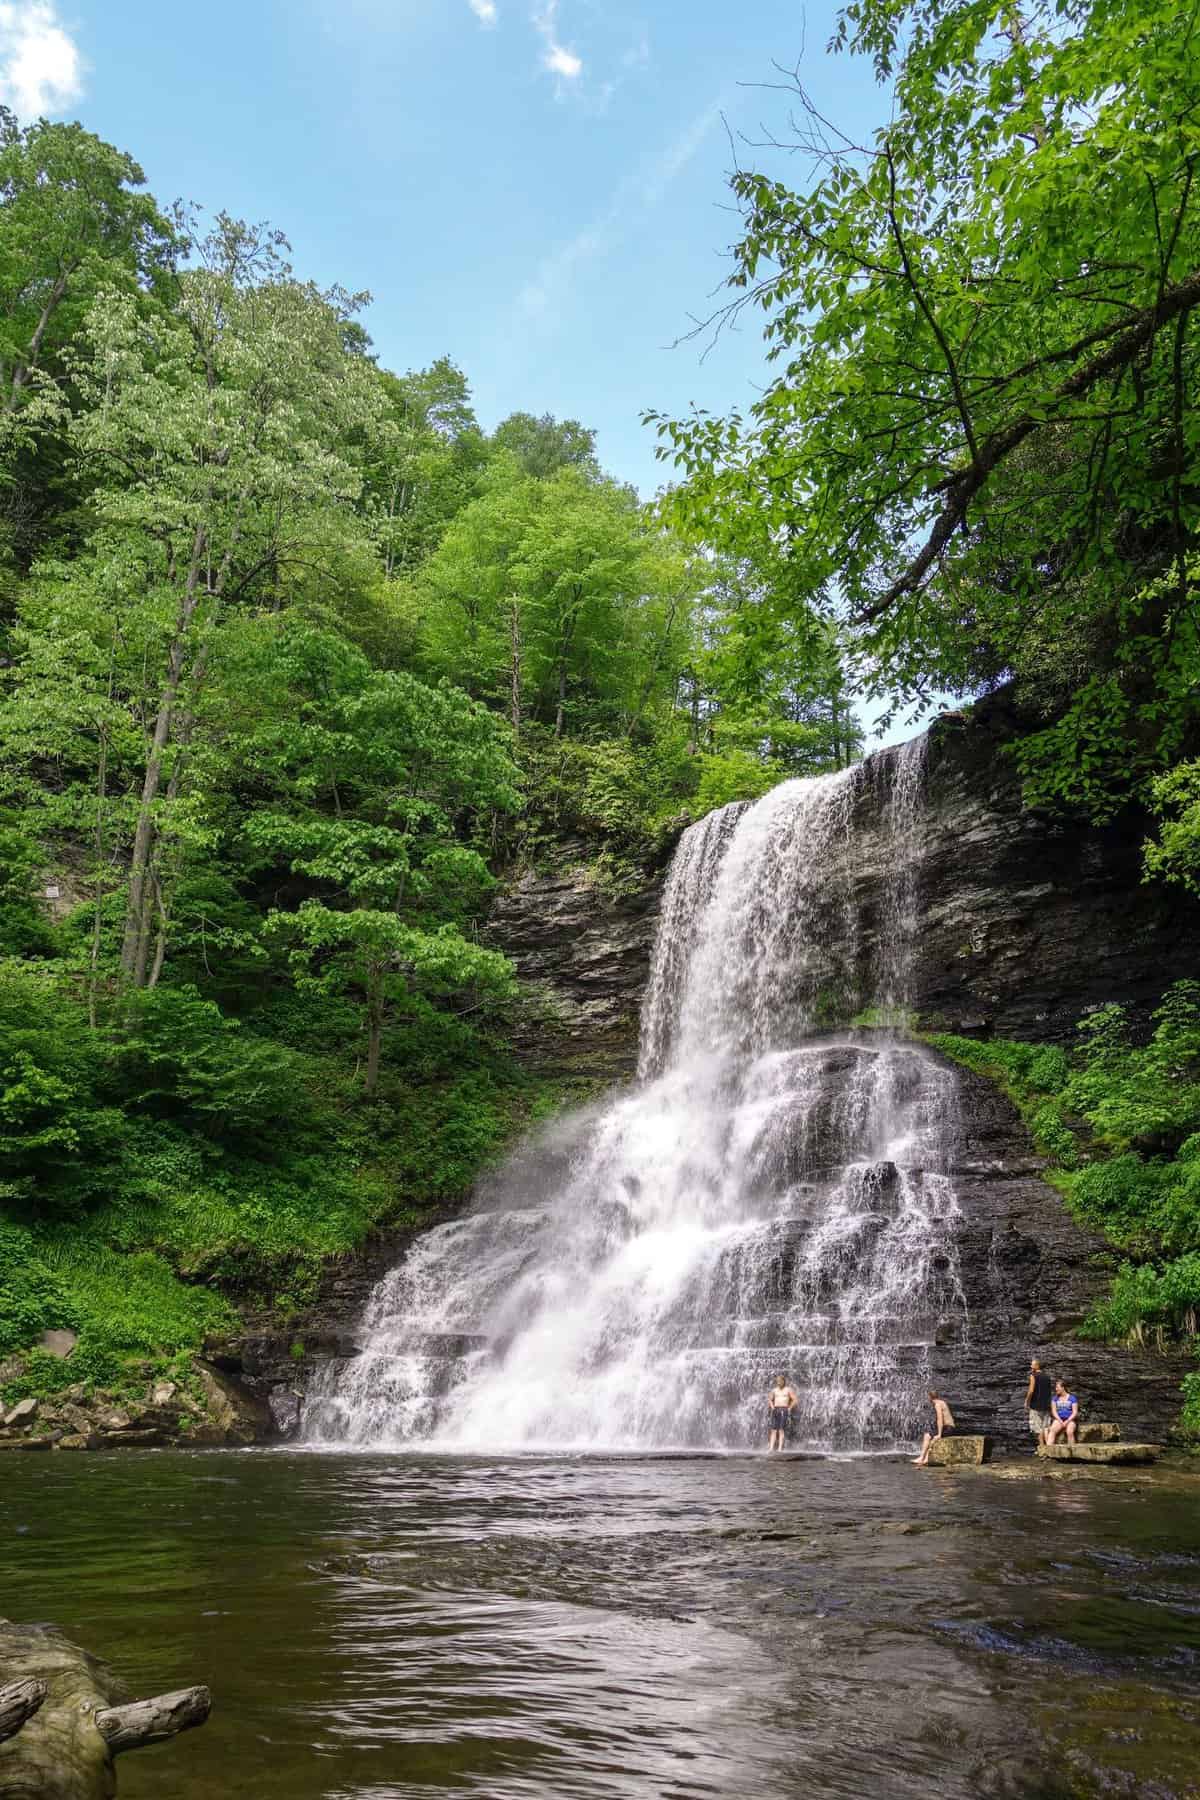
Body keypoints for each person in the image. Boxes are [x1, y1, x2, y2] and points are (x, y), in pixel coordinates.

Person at [912, 1390, 956, 1466]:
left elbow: (940, 1419)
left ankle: (922, 1458)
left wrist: (939, 1434)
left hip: (948, 1428)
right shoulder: (942, 1402)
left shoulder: (937, 1404)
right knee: (929, 1436)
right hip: (950, 1427)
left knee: (927, 1436)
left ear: (930, 1397)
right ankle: (925, 1458)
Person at [1025, 1358, 1053, 1448]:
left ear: (1037, 1366)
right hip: (1046, 1405)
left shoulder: (1033, 1375)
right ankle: (1049, 1448)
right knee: (1046, 1428)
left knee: (1038, 1429)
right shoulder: (1047, 1376)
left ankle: (1042, 1448)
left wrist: (1027, 1401)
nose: (1031, 1366)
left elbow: (1031, 1390)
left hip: (1036, 1405)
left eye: (1032, 1365)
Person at [1044, 1380, 1079, 1446]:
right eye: (1056, 1387)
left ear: (1063, 1388)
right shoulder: (1054, 1398)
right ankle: (1049, 1451)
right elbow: (1054, 1411)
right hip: (1059, 1419)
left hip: (1070, 1420)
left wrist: (1067, 1421)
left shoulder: (1072, 1398)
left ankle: (1072, 1451)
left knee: (1069, 1431)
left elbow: (1075, 1412)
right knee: (1052, 1431)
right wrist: (1060, 1421)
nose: (1056, 1389)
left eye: (1057, 1387)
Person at [767, 1375, 797, 1452]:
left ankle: (780, 1449)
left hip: (784, 1409)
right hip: (775, 1409)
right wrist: (772, 1407)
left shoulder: (788, 1390)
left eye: (780, 1381)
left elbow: (795, 1400)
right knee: (773, 1430)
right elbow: (770, 1399)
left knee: (781, 1430)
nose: (778, 1383)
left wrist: (789, 1408)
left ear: (784, 1381)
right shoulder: (774, 1390)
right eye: (777, 1381)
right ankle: (771, 1448)